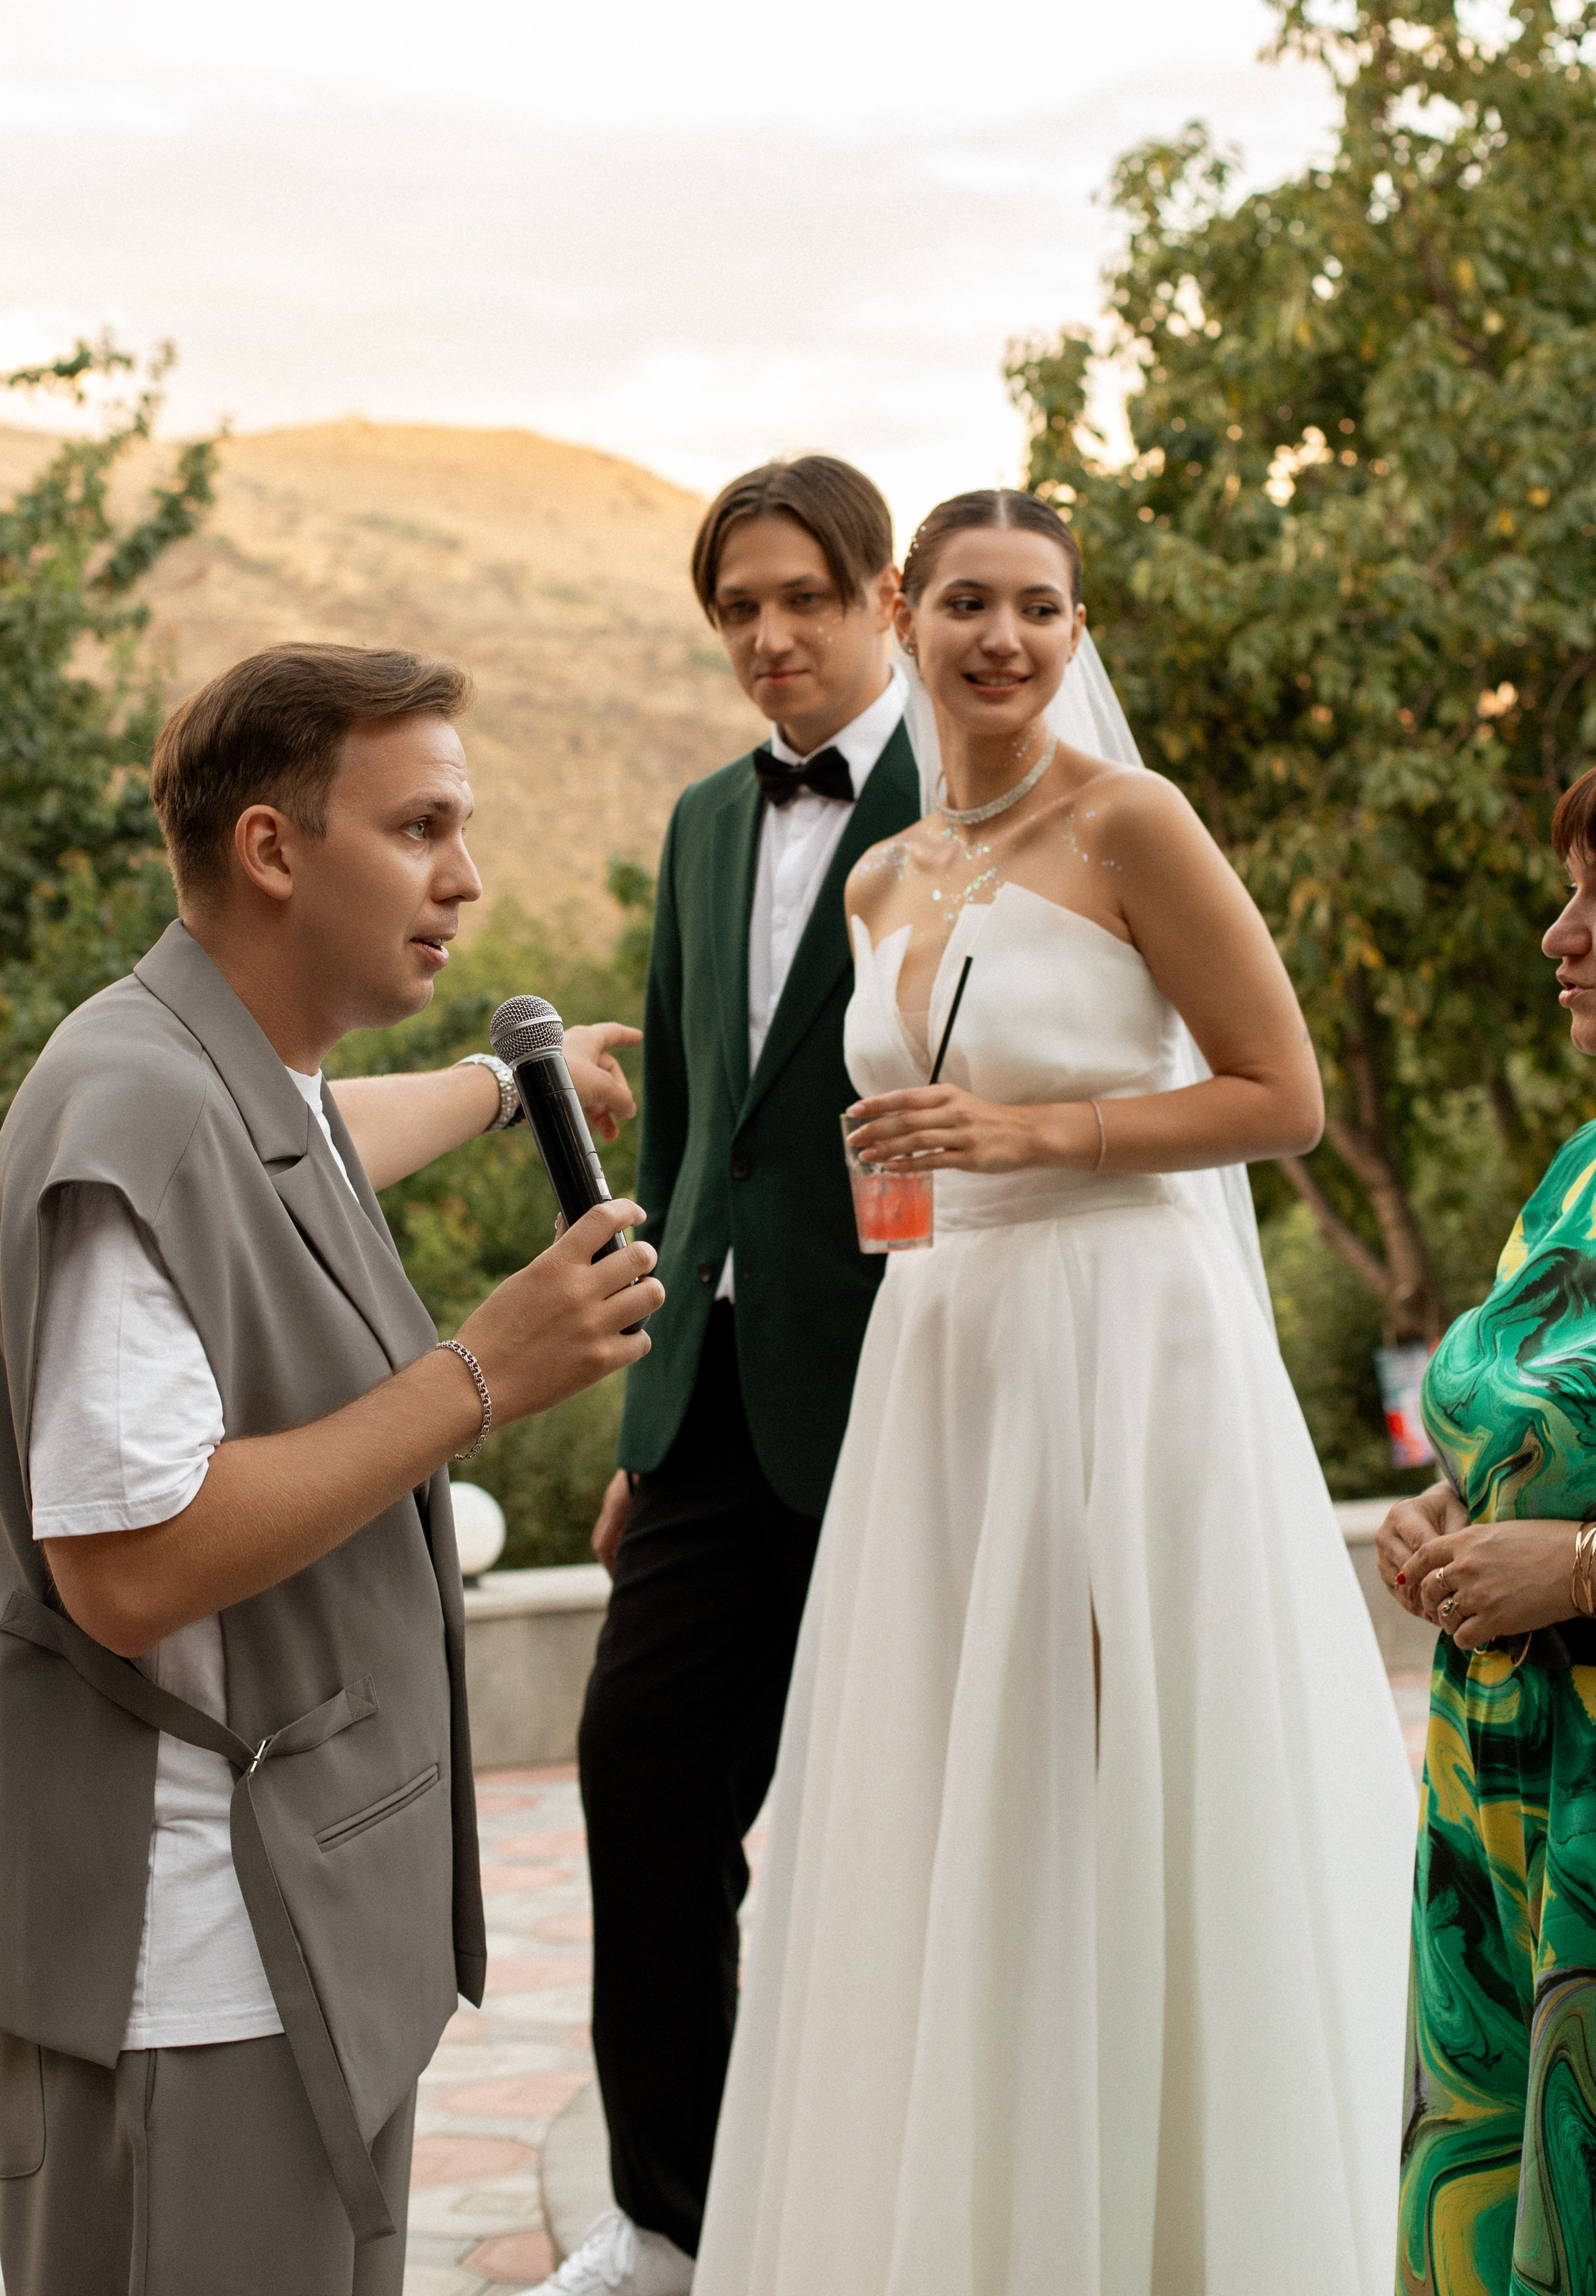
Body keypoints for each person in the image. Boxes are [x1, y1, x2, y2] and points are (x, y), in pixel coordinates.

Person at [691, 489, 1417, 2296]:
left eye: (1037, 607)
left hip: (1119, 1335)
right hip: (944, 1352)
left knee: (1119, 1771)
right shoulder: (878, 878)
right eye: (964, 605)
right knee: (964, 1784)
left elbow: (1279, 1096)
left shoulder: (1133, 824)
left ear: (1074, 633)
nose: (1000, 637)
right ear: (904, 614)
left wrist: (1031, 1131)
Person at [0, 642, 663, 2296]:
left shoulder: (222, 1074)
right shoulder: (131, 1113)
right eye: (419, 830)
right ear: (272, 850)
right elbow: (125, 1569)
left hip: (279, 1934)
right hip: (190, 1955)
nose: (464, 880)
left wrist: (507, 1088)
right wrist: (479, 1377)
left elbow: (309, 1146)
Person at [530, 456, 919, 2296]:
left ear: (883, 597)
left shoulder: (977, 793)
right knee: (643, 1779)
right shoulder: (697, 823)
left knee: (904, 1807)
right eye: (738, 609)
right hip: (708, 1404)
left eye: (802, 602)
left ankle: (893, 2192)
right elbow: (688, 1125)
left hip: (910, 1398)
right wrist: (642, 1410)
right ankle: (671, 2219)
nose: (769, 638)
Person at [1378, 764, 1596, 2295]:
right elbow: (1518, 1415)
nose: (1553, 932)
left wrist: (1576, 1569)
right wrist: (1448, 1514)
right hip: (1495, 1820)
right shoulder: (1580, 1166)